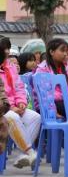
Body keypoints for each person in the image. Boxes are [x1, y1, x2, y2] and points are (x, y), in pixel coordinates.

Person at [1, 36, 41, 168]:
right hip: (3, 109)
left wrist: (21, 102)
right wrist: (11, 107)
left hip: (13, 106)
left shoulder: (11, 67)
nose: (7, 52)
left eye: (7, 48)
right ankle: (30, 152)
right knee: (11, 117)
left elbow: (18, 87)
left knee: (35, 117)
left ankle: (24, 153)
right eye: (3, 49)